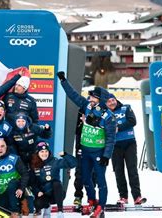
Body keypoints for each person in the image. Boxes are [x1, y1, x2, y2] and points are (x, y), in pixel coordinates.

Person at [57, 71, 116, 218]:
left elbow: (111, 138)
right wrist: (63, 81)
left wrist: (106, 155)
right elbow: (74, 96)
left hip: (98, 153)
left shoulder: (109, 117)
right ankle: (91, 200)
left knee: (101, 180)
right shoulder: (87, 106)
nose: (89, 98)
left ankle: (100, 208)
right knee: (84, 178)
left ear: (100, 100)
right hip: (85, 150)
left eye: (92, 96)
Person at [105, 94, 145, 205]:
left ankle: (137, 196)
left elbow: (132, 121)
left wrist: (118, 127)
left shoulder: (126, 108)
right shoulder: (105, 114)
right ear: (106, 104)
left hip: (129, 143)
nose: (112, 102)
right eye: (109, 101)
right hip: (115, 145)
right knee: (118, 171)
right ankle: (123, 197)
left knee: (132, 170)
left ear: (116, 99)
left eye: (113, 100)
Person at [30, 141, 77, 217]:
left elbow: (73, 164)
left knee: (56, 183)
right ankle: (46, 208)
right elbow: (32, 183)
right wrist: (37, 191)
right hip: (44, 195)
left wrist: (65, 155)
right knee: (37, 203)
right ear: (37, 153)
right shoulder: (34, 164)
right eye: (42, 151)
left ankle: (60, 211)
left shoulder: (54, 162)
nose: (44, 154)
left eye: (46, 151)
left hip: (57, 194)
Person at [0, 139, 29, 218]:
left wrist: (21, 188)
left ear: (6, 147)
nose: (0, 149)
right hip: (2, 191)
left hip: (16, 191)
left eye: (2, 146)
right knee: (3, 212)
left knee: (12, 183)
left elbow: (25, 174)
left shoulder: (14, 158)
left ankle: (15, 212)